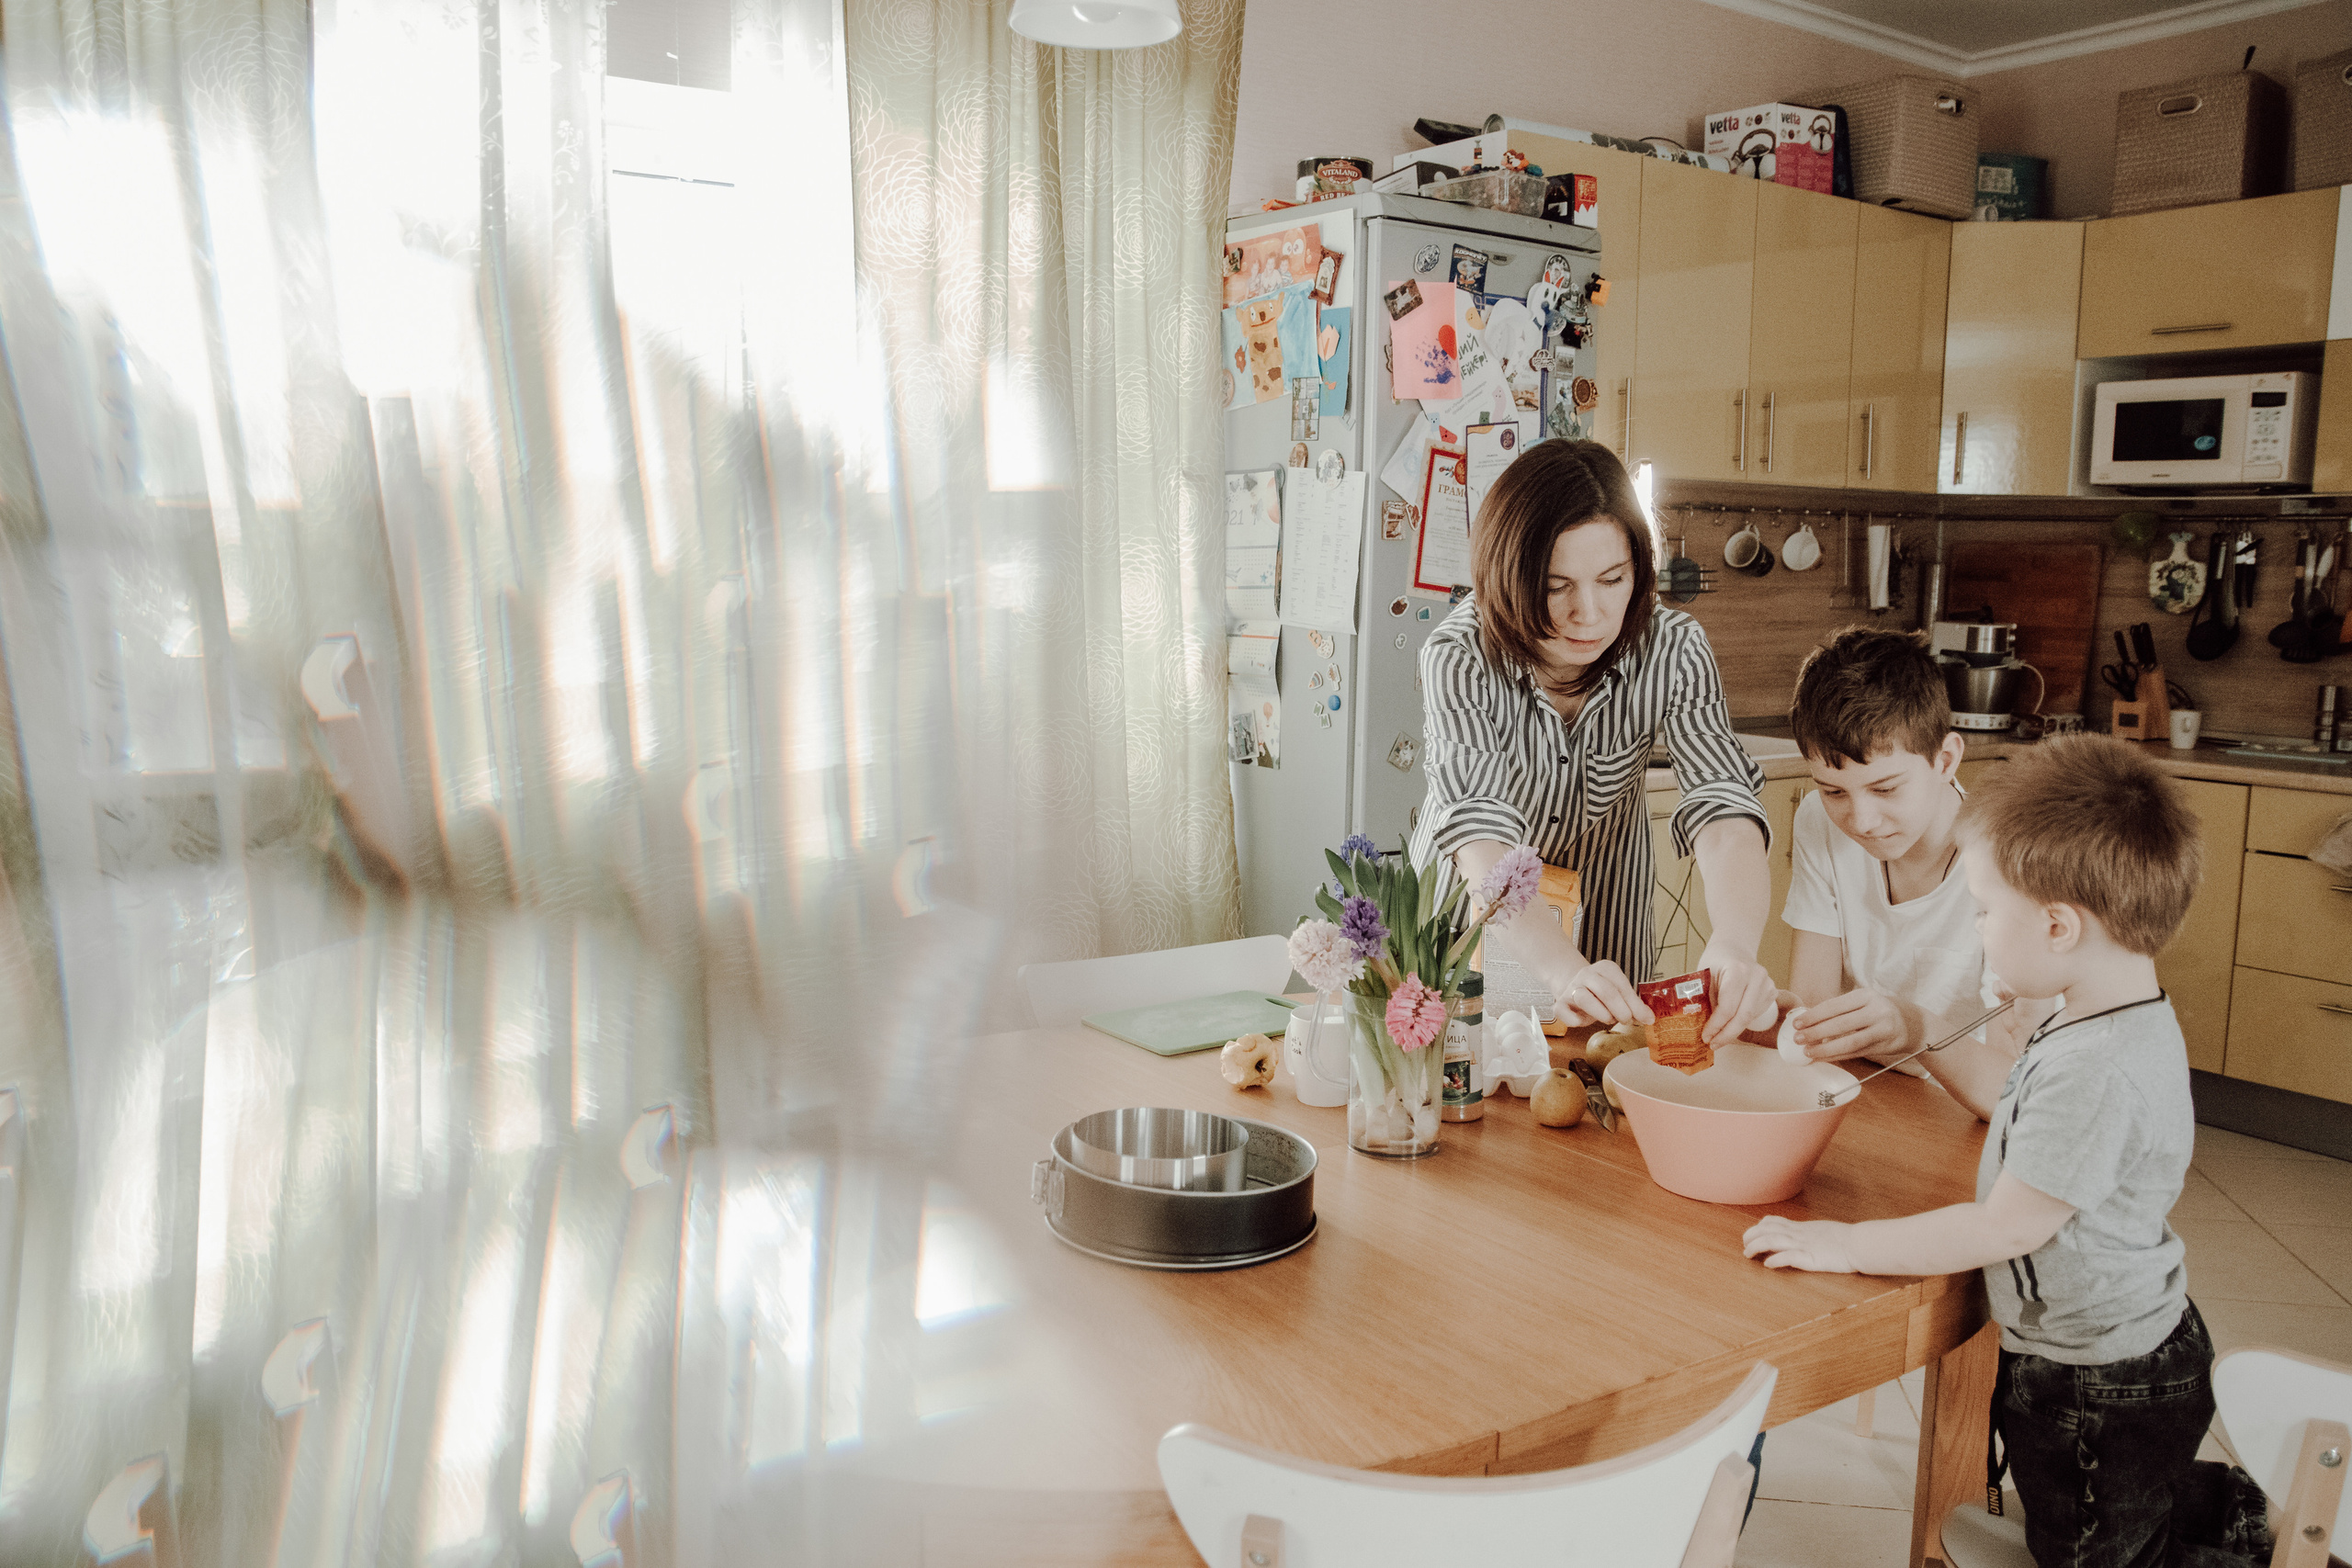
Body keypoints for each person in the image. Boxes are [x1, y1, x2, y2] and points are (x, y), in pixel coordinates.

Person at [1744, 737, 2269, 1568]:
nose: (1980, 931)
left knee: (2089, 1552)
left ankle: (2251, 1538)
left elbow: (2002, 1227)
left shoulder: (2097, 1068)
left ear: (2059, 926)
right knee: (2127, 1504)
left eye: (1986, 912)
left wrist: (1846, 1243)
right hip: (2124, 1354)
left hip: (2100, 1380)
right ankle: (2233, 1517)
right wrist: (2026, 1013)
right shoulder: (2103, 1010)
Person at [1408, 437, 1776, 1042]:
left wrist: (1734, 944)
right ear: (1507, 576)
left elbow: (1723, 807)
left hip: (1607, 936)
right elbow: (1482, 838)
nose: (1590, 612)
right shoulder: (1460, 655)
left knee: (1600, 1082)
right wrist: (1561, 970)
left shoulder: (1674, 649)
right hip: (1472, 933)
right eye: (1557, 586)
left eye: (1612, 579)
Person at [1778, 626, 2039, 1109]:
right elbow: (1814, 1010)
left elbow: (2013, 1092)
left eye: (1886, 789)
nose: (1861, 820)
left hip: (1965, 1113)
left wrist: (1913, 1029)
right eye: (1833, 791)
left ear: (1945, 760)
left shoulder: (2013, 862)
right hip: (1868, 1092)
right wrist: (1771, 1017)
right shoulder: (1818, 820)